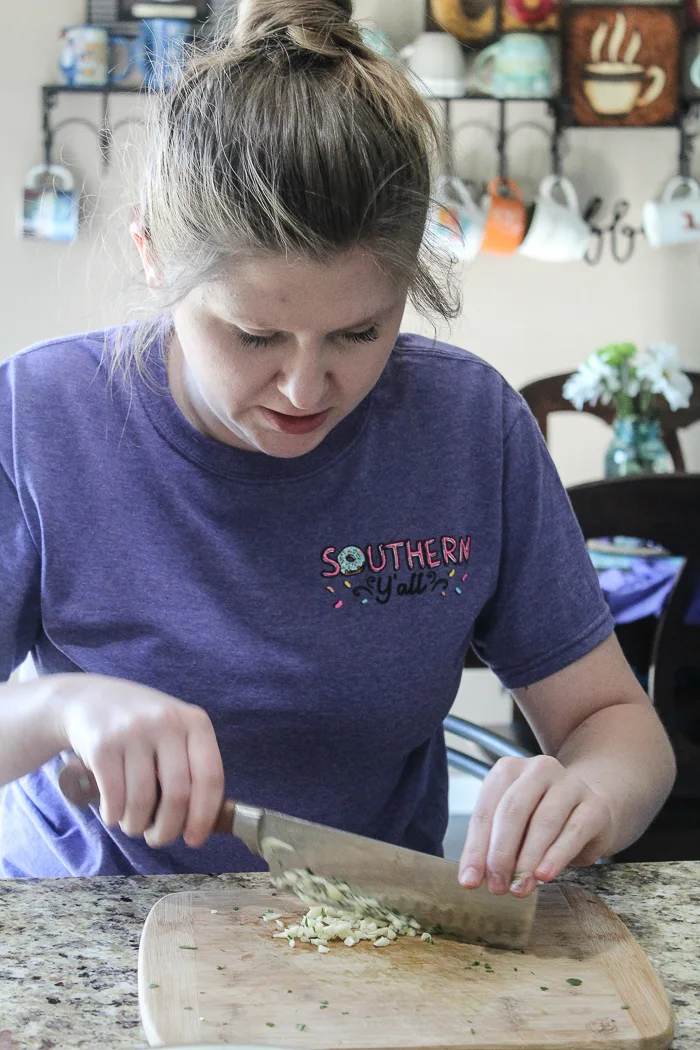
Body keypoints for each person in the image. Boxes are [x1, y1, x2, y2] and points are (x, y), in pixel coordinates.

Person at [0, 0, 674, 890]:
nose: (305, 390)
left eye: (360, 333)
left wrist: (586, 793)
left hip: (372, 935)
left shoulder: (470, 425)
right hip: (87, 929)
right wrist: (58, 707)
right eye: (253, 336)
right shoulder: (40, 418)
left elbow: (616, 723)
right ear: (154, 255)